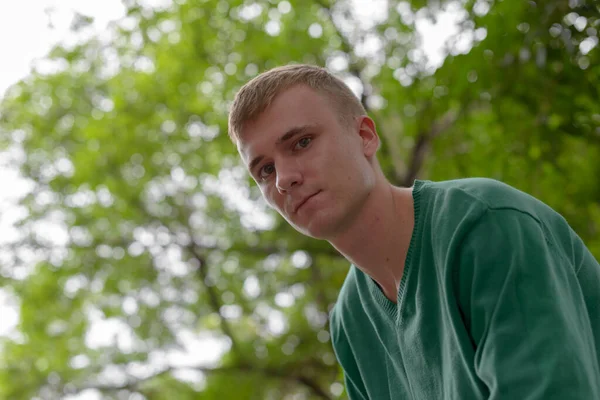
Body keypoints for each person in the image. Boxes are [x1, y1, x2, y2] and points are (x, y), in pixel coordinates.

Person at [227, 64, 600, 399]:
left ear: (365, 136)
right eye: (265, 171)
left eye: (302, 143)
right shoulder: (350, 322)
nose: (285, 179)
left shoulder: (485, 224)